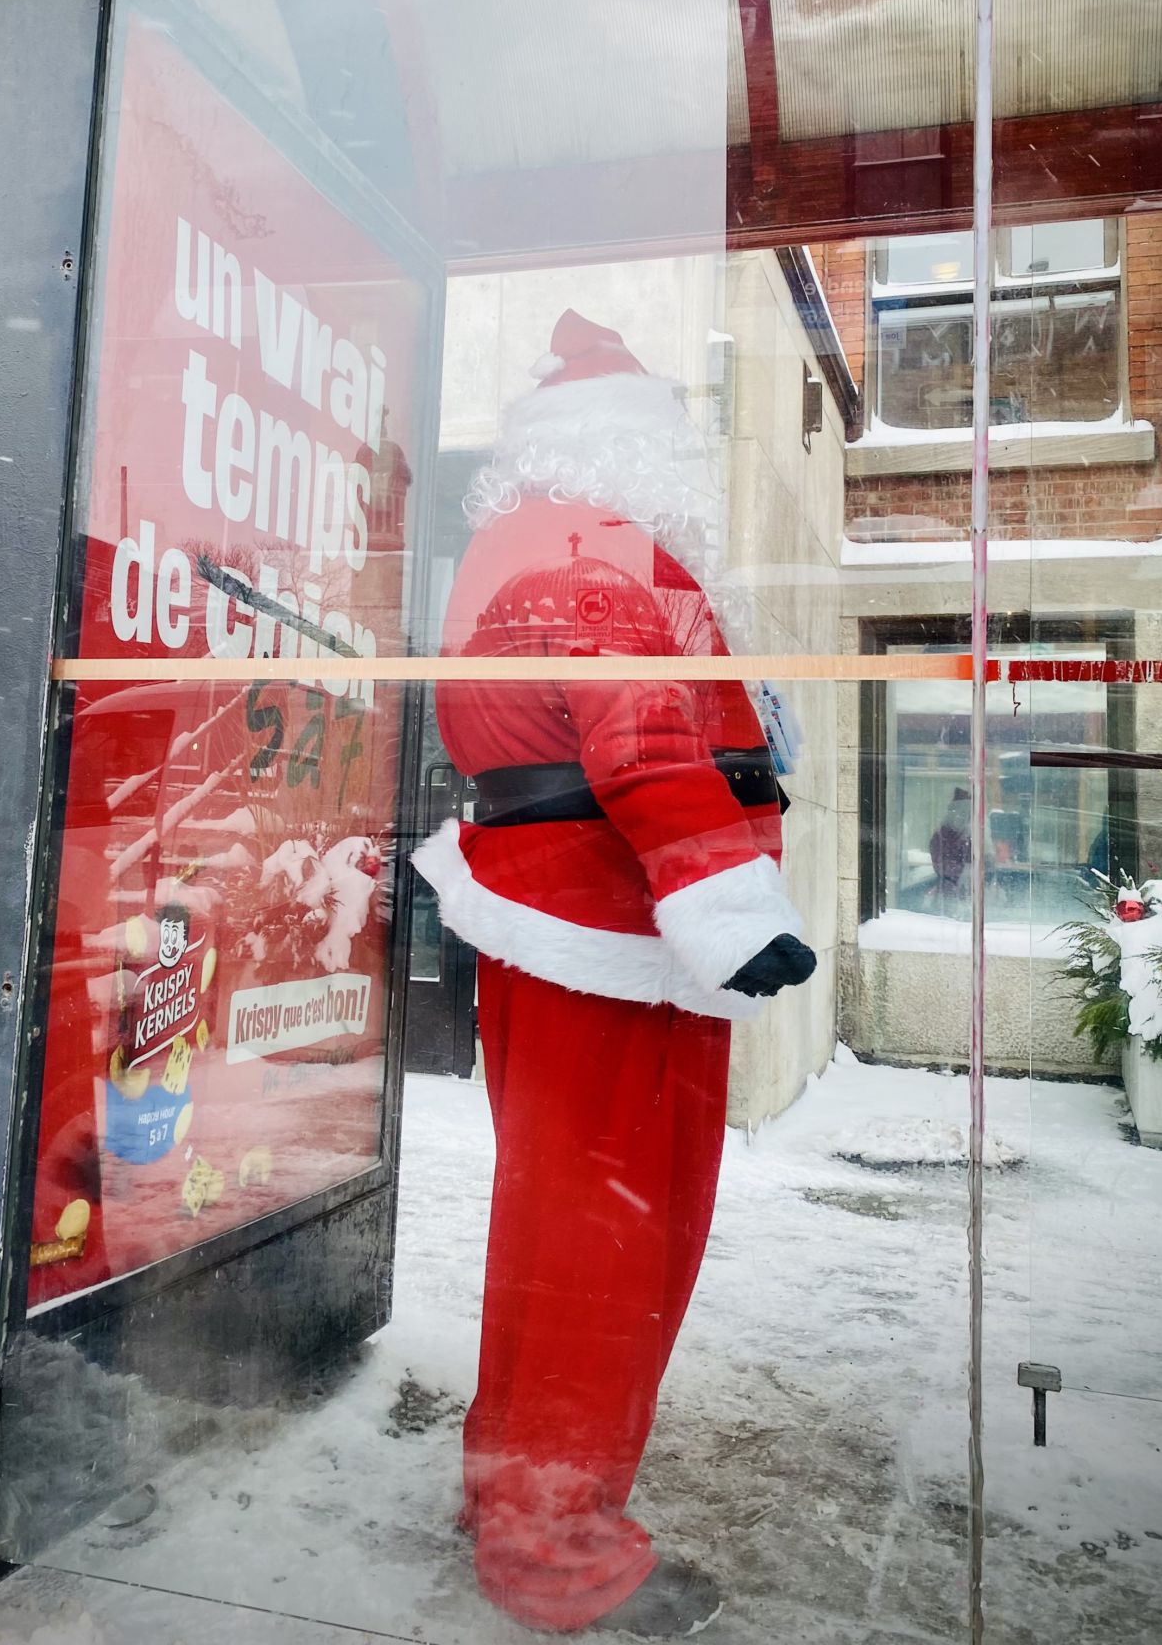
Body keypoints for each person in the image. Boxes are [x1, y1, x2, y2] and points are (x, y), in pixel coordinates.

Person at [413, 311, 815, 1636]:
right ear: (625, 447)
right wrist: (727, 905)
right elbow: (640, 738)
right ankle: (555, 1547)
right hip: (625, 938)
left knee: (558, 1240)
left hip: (586, 929)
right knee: (611, 1252)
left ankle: (514, 1491)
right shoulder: (593, 555)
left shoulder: (531, 552)